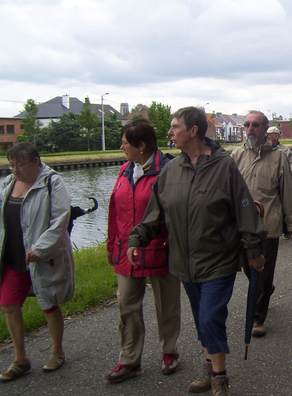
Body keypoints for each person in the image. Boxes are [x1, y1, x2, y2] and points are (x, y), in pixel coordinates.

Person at [128, 107, 266, 396]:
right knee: (201, 317)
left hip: (218, 260)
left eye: (175, 126)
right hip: (184, 263)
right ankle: (209, 367)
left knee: (209, 317)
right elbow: (156, 212)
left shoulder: (224, 166)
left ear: (193, 131)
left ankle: (219, 378)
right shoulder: (171, 170)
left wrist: (254, 249)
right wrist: (137, 239)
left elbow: (244, 209)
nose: (170, 132)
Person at [105, 118, 181, 383]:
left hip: (161, 249)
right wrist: (113, 243)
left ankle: (169, 351)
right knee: (126, 305)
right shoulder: (126, 169)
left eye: (125, 143)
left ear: (142, 145)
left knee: (167, 305)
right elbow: (115, 210)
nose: (122, 147)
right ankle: (129, 359)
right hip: (128, 252)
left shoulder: (169, 169)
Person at [0, 142, 74, 381]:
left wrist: (40, 247)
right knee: (8, 305)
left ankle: (57, 351)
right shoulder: (9, 183)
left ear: (36, 162)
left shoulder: (52, 182)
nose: (15, 170)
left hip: (40, 257)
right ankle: (20, 359)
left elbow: (60, 218)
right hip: (12, 255)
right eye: (11, 165)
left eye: (19, 165)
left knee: (48, 303)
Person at [231, 112, 292, 338]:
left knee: (262, 270)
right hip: (241, 226)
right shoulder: (236, 155)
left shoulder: (280, 156)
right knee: (248, 268)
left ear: (265, 128)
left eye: (255, 125)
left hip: (268, 225)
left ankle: (258, 318)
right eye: (247, 125)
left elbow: (287, 192)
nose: (250, 128)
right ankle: (265, 289)